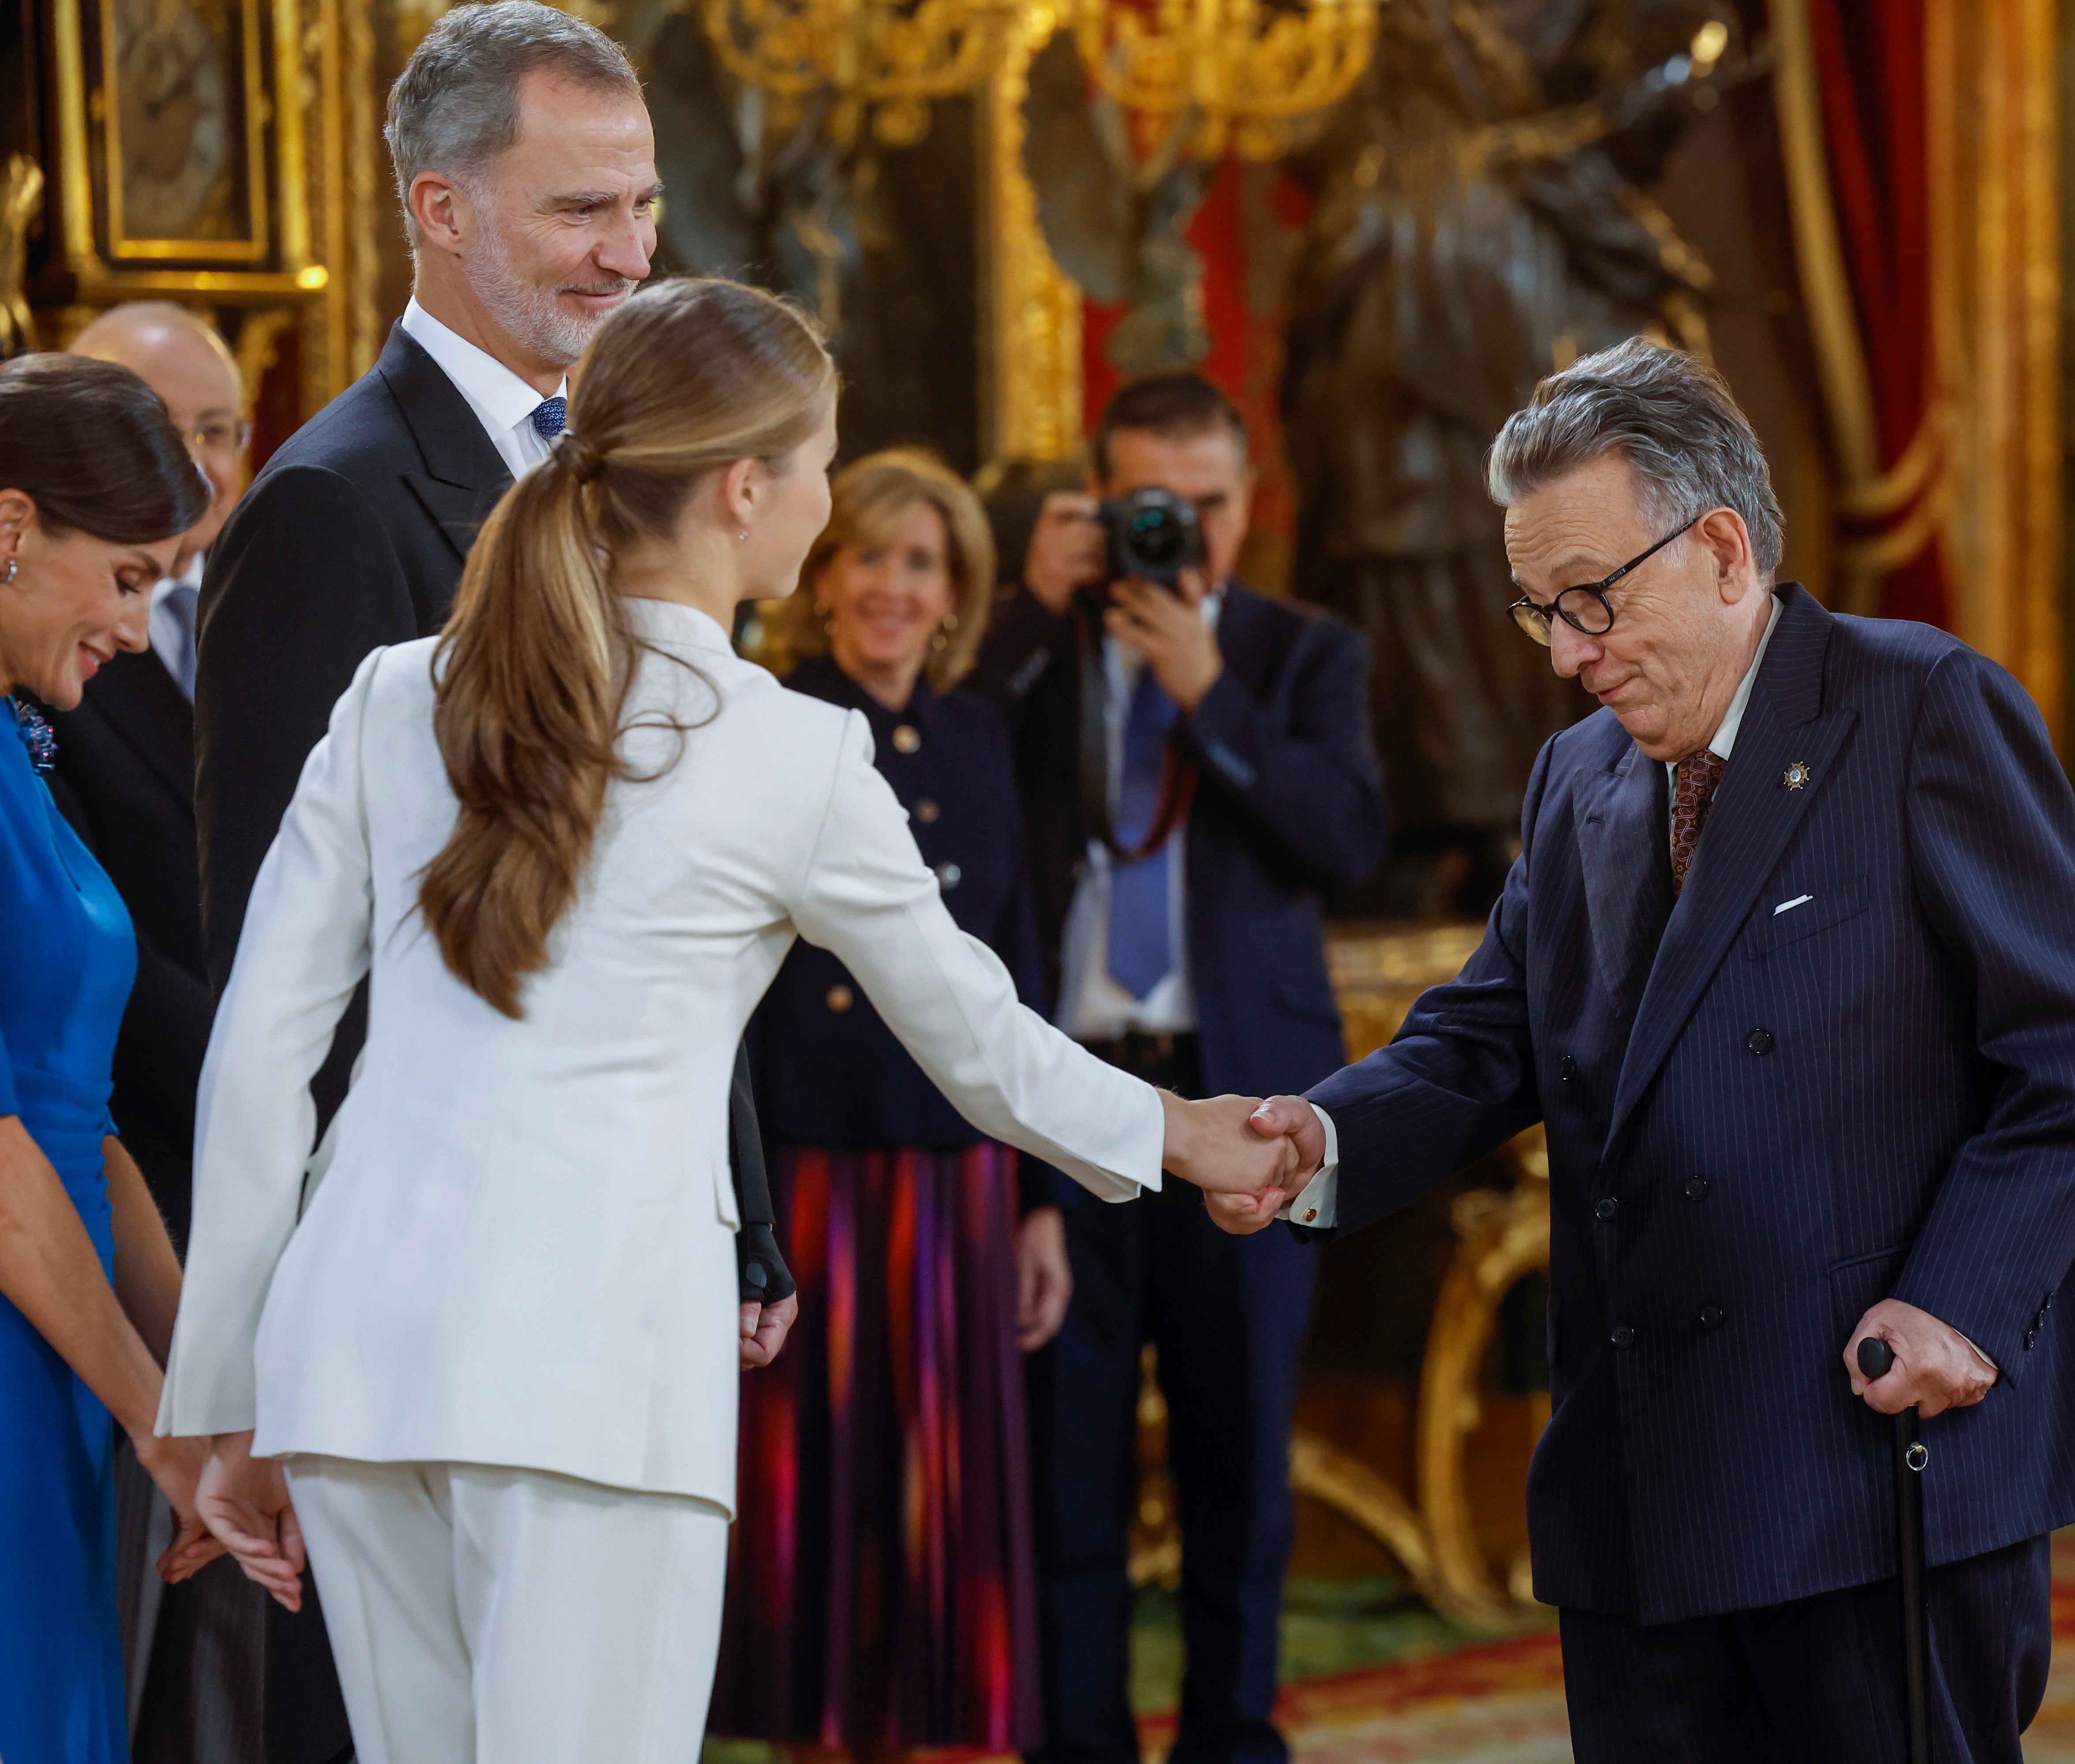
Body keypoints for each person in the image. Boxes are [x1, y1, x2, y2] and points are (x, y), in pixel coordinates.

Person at [156, 277, 1302, 1764]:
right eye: (822, 462)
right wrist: (1187, 1136)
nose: (827, 497)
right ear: (747, 486)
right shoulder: (791, 751)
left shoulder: (397, 694)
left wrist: (227, 1392)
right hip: (598, 1375)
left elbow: (262, 1052)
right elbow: (983, 1044)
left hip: (351, 1363)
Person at [1231, 339, 2075, 1763]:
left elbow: (2066, 1051)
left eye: (1591, 600)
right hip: (1643, 1477)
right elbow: (1488, 1035)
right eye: (1539, 610)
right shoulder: (1575, 774)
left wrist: (1962, 1307)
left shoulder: (1922, 708)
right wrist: (1319, 1136)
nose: (1567, 654)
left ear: (1722, 549)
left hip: (1867, 1454)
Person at [191, 13, 793, 1748]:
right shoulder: (335, 506)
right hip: (433, 1315)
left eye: (644, 207)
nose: (629, 254)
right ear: (440, 210)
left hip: (624, 1266)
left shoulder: (629, 488)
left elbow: (670, 910)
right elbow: (283, 979)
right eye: (578, 212)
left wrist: (731, 1208)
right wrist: (273, 1373)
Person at [970, 371, 1387, 1764]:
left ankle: (1231, 1740)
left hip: (1245, 1106)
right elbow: (948, 777)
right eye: (1153, 505)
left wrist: (1212, 696)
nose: (1184, 535)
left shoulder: (1300, 652)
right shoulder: (1031, 645)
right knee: (1062, 1462)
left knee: (1239, 1460)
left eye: (1207, 506)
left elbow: (1346, 839)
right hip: (1070, 1101)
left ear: (1248, 502)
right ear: (1097, 499)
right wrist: (1032, 609)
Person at [713, 451, 1067, 1755]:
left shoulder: (977, 734)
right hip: (807, 1164)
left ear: (956, 589)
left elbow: (1015, 965)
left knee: (948, 1476)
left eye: (923, 563)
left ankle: (942, 1728)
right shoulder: (772, 716)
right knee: (821, 1467)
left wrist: (1038, 1205)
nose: (894, 588)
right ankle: (816, 1727)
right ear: (823, 572)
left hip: (958, 1164)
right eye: (871, 555)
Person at [0, 351, 226, 1763]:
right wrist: (157, 1421)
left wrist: (200, 1396)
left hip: (63, 1358)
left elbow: (82, 1125)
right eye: (130, 577)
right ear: (11, 530)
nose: (142, 632)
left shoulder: (24, 750)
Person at [55, 300, 266, 1764]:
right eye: (152, 432)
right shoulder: (50, 690)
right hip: (89, 1226)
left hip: (181, 1218)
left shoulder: (281, 602)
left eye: (215, 434)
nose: (191, 472)